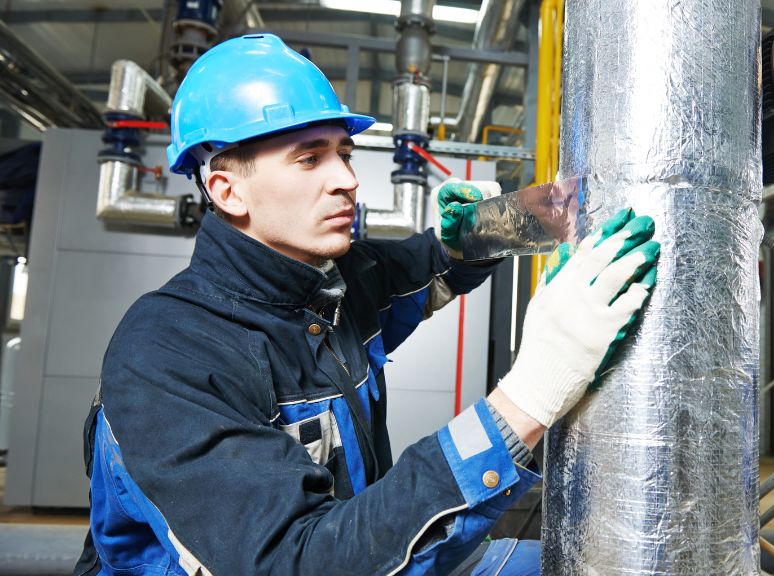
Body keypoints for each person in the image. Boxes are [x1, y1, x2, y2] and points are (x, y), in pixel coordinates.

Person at [74, 34, 659, 576]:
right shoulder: (166, 353)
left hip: (374, 550)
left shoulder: (336, 282)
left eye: (344, 153)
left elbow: (431, 265)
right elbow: (292, 560)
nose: (347, 180)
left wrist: (499, 227)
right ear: (228, 191)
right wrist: (531, 395)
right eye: (309, 158)